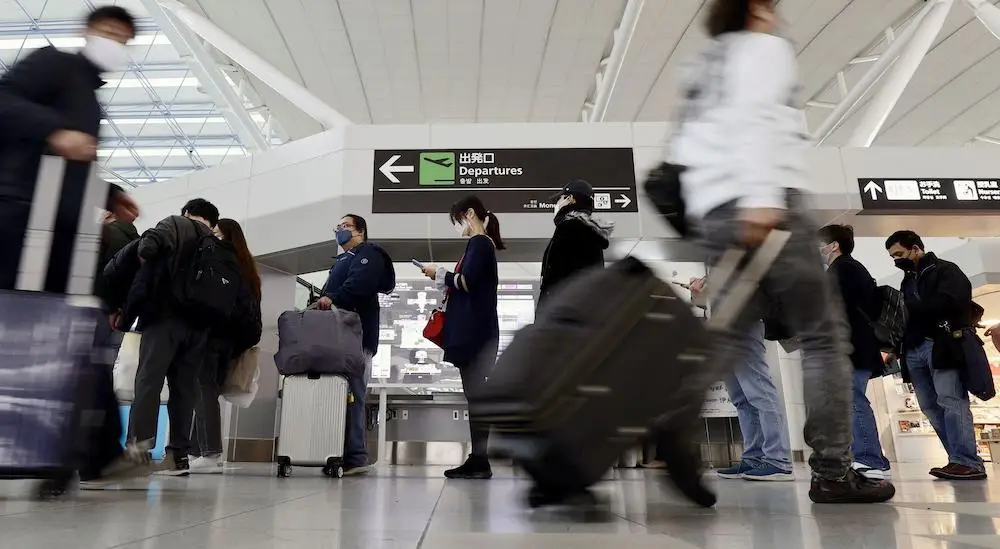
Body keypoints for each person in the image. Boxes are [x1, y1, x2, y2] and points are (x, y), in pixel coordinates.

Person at [664, 0, 894, 503]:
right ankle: (833, 470)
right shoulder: (760, 48)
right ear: (755, 9)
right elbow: (758, 116)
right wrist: (763, 200)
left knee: (727, 338)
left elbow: (683, 152)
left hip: (717, 214)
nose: (777, 15)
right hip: (766, 204)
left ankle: (670, 430)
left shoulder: (706, 63)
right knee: (824, 338)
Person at [0, 5, 139, 290]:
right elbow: (4, 99)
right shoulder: (53, 62)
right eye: (110, 33)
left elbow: (73, 168)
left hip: (60, 229)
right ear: (86, 32)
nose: (115, 44)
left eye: (123, 40)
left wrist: (110, 195)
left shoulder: (90, 100)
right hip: (20, 214)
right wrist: (54, 131)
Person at [128, 198, 221, 477]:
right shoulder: (218, 244)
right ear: (212, 222)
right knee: (185, 390)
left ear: (187, 213)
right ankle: (178, 457)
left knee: (149, 382)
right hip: (199, 327)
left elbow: (147, 246)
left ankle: (138, 453)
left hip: (165, 319)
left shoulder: (175, 224)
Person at [885, 230, 986, 480]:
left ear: (915, 248)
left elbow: (951, 302)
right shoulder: (907, 281)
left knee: (951, 400)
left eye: (899, 254)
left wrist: (909, 308)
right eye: (892, 256)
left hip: (941, 344)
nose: (896, 260)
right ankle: (957, 458)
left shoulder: (946, 270)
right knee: (930, 406)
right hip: (913, 349)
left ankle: (968, 461)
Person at [420, 195, 503, 479]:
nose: (458, 226)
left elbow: (465, 282)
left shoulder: (479, 243)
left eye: (457, 220)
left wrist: (439, 273)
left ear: (469, 214)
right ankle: (478, 459)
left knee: (477, 398)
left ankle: (480, 460)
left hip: (476, 336)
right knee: (476, 397)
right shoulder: (482, 246)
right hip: (479, 334)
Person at [688, 277, 793, 481]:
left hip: (743, 324)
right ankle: (754, 457)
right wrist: (700, 294)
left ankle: (778, 460)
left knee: (760, 392)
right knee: (741, 398)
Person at [318, 214, 395, 476]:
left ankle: (355, 456)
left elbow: (359, 286)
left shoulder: (369, 253)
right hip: (336, 337)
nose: (340, 230)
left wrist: (332, 298)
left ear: (360, 231)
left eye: (345, 226)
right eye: (337, 226)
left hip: (356, 336)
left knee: (353, 396)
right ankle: (334, 453)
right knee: (336, 395)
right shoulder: (340, 261)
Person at [189, 219, 262, 474]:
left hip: (214, 336)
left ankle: (208, 451)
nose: (214, 238)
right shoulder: (247, 268)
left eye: (218, 234)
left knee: (203, 388)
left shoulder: (222, 264)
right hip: (232, 341)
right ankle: (200, 450)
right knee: (207, 391)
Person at [820, 224, 892, 481]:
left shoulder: (846, 269)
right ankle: (862, 457)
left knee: (854, 402)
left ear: (834, 245)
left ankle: (872, 459)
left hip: (852, 347)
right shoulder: (843, 269)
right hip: (851, 346)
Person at [539, 180, 614, 306]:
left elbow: (558, 278)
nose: (557, 204)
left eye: (560, 199)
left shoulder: (570, 228)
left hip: (562, 314)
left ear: (570, 199)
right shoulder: (589, 232)